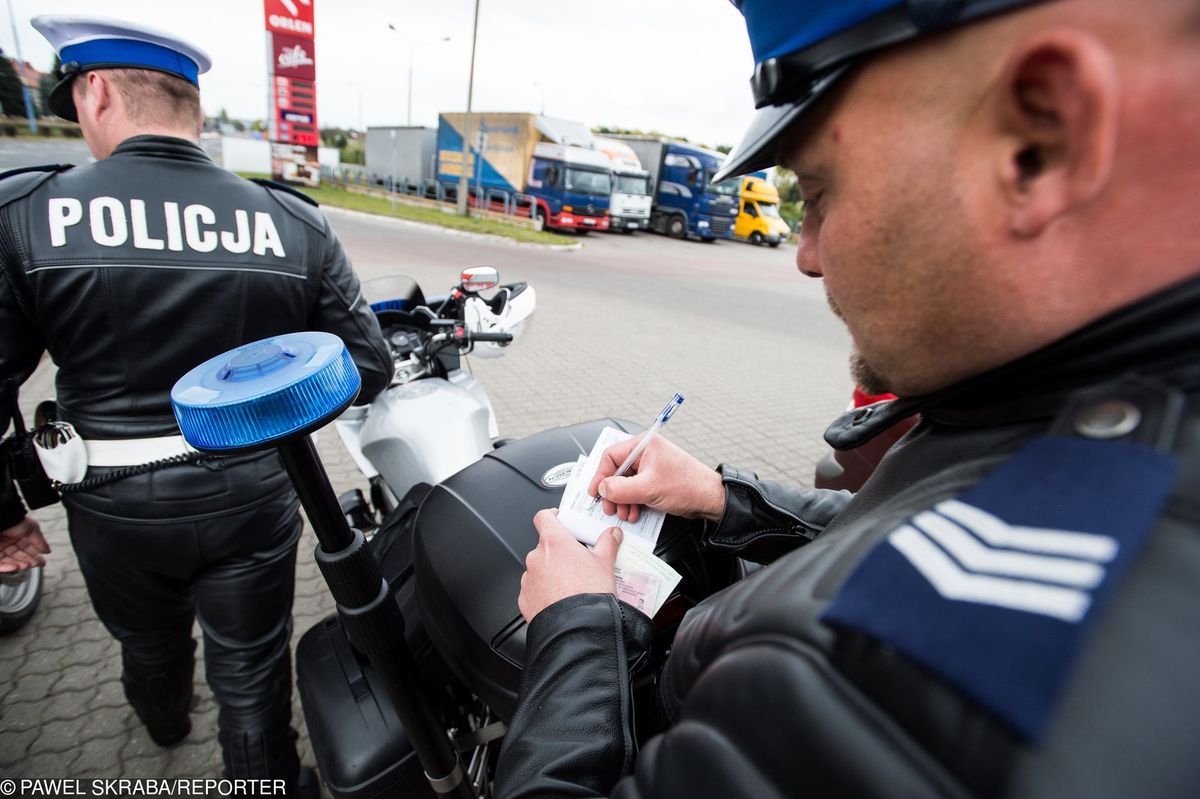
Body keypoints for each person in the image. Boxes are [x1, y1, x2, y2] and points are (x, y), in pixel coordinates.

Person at [497, 0, 1200, 796]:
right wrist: (725, 497)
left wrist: (575, 629)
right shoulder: (1063, 397)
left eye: (819, 191)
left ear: (1039, 140)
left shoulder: (887, 698)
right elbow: (904, 528)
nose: (804, 254)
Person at [0, 15, 393, 795]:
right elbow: (368, 365)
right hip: (253, 494)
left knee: (147, 645)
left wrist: (4, 513)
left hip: (111, 506)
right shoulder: (291, 218)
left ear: (97, 92)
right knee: (250, 673)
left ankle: (166, 723)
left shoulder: (27, 212)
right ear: (196, 111)